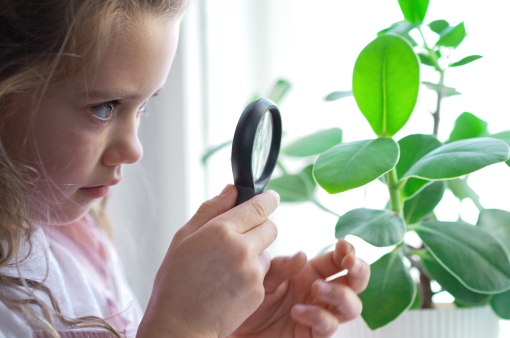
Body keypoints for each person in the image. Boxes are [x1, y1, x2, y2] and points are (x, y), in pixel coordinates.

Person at [0, 0, 370, 337]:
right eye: (104, 108)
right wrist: (180, 327)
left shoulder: (80, 241)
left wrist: (231, 331)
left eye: (143, 107)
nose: (134, 149)